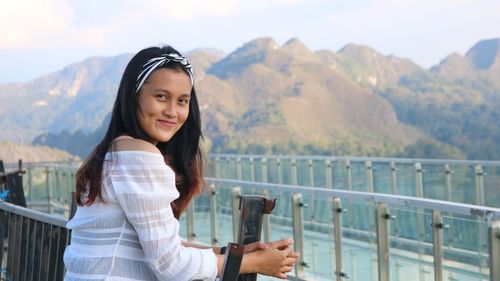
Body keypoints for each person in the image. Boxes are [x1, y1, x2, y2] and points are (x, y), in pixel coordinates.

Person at [63, 45, 299, 281]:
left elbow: (165, 246)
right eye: (161, 97)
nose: (172, 112)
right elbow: (170, 265)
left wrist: (232, 254)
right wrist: (251, 263)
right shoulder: (139, 156)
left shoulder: (113, 152)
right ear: (133, 97)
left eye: (182, 101)